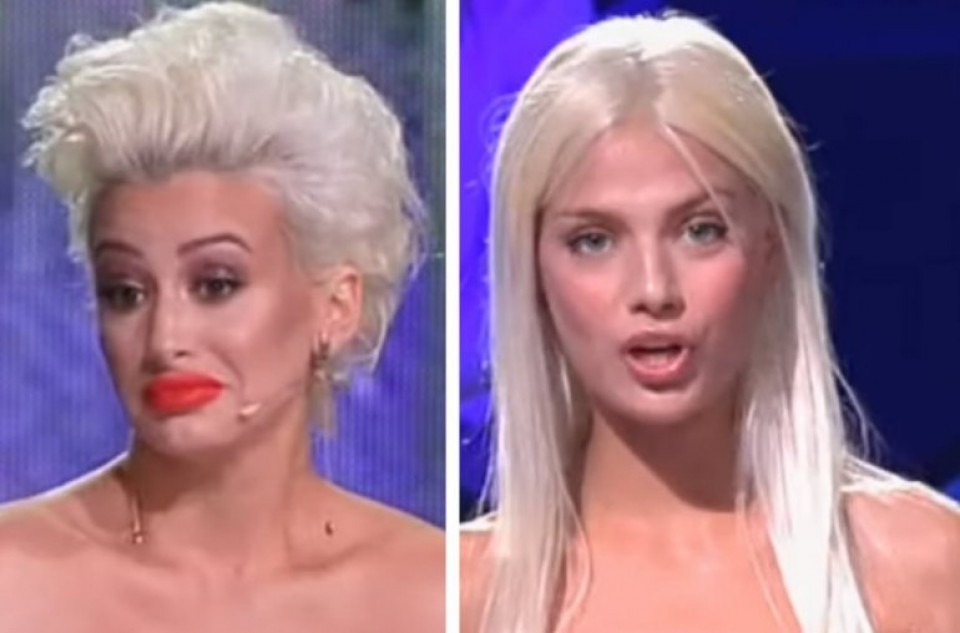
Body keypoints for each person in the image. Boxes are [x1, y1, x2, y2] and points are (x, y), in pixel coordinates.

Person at [461, 12, 960, 633]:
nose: (653, 290)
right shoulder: (459, 599)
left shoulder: (921, 568)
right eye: (594, 241)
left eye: (701, 231)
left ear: (772, 246)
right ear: (533, 270)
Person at [0, 3, 442, 631]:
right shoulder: (14, 580)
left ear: (336, 306)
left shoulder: (437, 594)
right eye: (126, 292)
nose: (165, 339)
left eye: (215, 285)